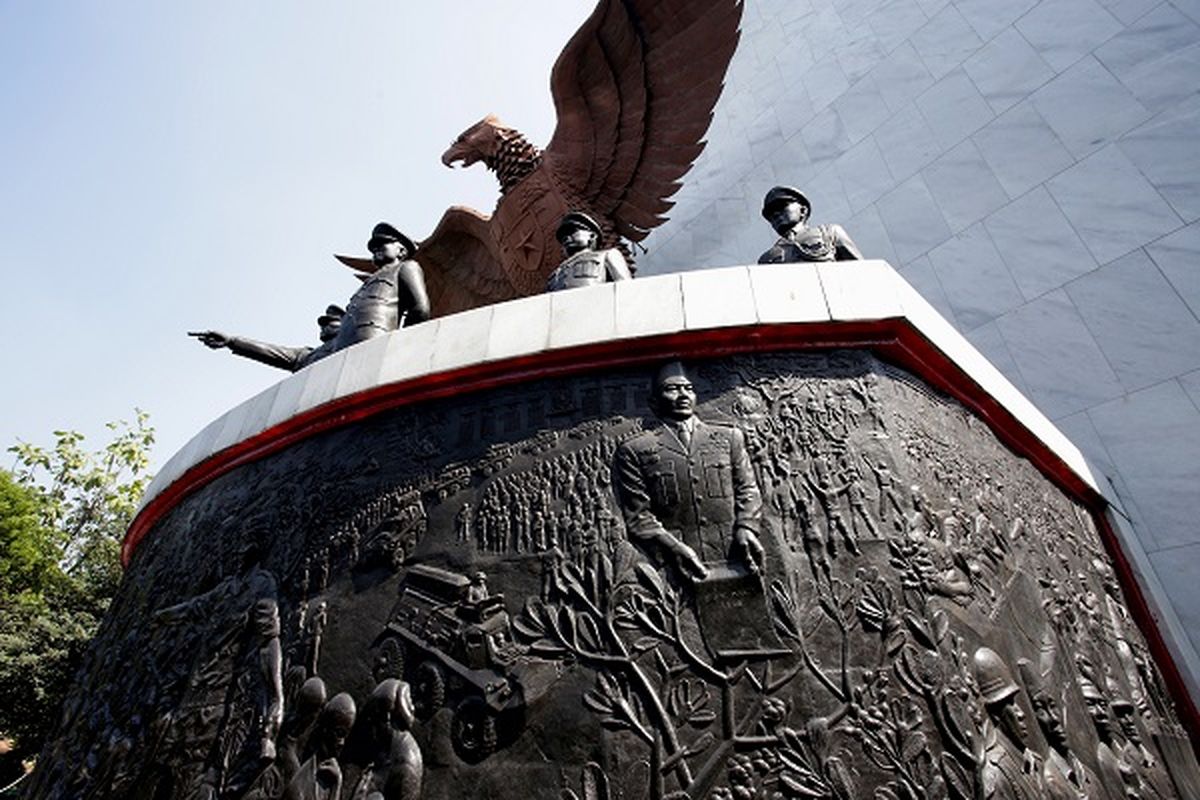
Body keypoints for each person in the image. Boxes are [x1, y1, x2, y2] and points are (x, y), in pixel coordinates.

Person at [613, 362, 764, 581]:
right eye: (672, 389)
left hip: (736, 557)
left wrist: (747, 527)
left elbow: (748, 489)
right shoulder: (635, 450)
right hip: (676, 568)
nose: (683, 395)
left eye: (689, 389)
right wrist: (672, 547)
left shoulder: (729, 437)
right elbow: (639, 517)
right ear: (653, 401)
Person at [333, 222, 430, 349]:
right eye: (374, 248)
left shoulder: (406, 267)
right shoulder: (367, 284)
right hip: (342, 349)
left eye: (383, 244)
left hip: (374, 343)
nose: (376, 249)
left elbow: (420, 309)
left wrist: (400, 343)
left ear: (401, 251)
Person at [190, 305, 344, 372]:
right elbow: (271, 351)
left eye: (330, 323)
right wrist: (231, 341)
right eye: (322, 324)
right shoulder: (305, 356)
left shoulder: (351, 344)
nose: (323, 327)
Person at [757, 186, 862, 264]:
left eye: (781, 206)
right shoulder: (766, 259)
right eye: (771, 214)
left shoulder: (830, 233)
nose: (776, 214)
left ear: (803, 210)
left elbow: (861, 270)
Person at [545, 211, 632, 291]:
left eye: (573, 232)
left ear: (592, 236)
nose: (566, 237)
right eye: (563, 236)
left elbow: (625, 288)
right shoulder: (555, 274)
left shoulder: (606, 255)